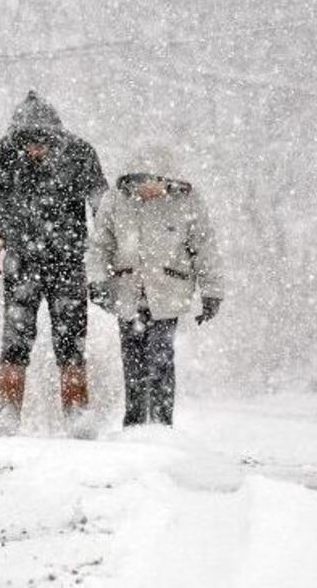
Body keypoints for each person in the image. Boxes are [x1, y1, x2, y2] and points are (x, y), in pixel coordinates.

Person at [0, 90, 108, 436]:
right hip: (22, 258)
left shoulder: (81, 153)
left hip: (68, 259)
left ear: (55, 138)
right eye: (28, 143)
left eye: (41, 143)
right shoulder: (7, 152)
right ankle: (6, 411)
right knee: (15, 336)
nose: (34, 150)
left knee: (71, 337)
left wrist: (108, 251)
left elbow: (102, 204)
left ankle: (77, 411)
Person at [87, 146, 225, 427]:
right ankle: (134, 422)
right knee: (132, 359)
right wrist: (97, 281)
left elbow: (204, 247)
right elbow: (100, 245)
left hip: (168, 292)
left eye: (154, 181)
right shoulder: (115, 200)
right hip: (127, 292)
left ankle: (162, 423)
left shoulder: (187, 201)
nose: (148, 189)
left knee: (161, 356)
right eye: (142, 182)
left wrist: (211, 292)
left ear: (167, 179)